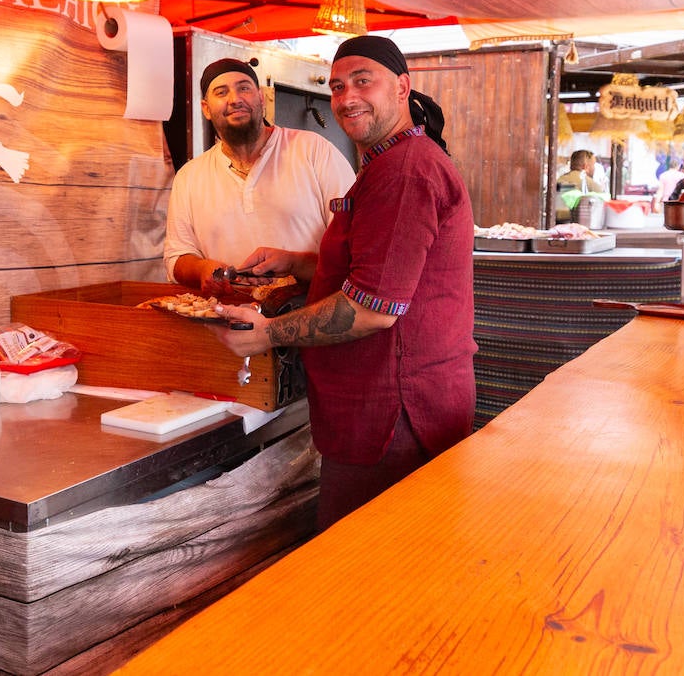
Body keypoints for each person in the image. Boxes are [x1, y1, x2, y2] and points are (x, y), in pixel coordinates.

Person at [214, 35, 476, 532]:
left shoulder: (405, 171)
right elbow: (381, 270)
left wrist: (267, 333)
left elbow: (374, 308)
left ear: (402, 88)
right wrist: (297, 263)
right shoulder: (389, 162)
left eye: (362, 81)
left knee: (363, 580)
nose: (347, 97)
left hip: (394, 415)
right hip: (387, 406)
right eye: (336, 87)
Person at [164, 57, 356, 296]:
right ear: (206, 109)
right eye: (221, 92)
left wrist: (295, 262)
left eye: (244, 88)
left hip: (311, 313)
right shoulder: (190, 177)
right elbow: (176, 258)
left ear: (261, 98)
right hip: (228, 320)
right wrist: (203, 269)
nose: (235, 99)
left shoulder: (314, 151)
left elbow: (355, 245)